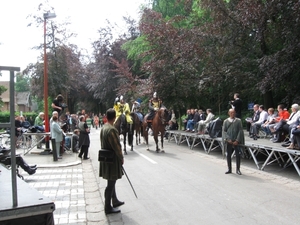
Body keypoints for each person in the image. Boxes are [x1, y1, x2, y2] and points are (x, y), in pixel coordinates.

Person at [100, 108, 124, 215]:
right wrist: (121, 157)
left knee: (111, 180)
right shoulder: (112, 130)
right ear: (114, 117)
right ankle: (107, 207)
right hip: (112, 159)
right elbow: (116, 146)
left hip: (106, 158)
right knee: (111, 183)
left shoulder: (104, 127)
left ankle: (114, 200)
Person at [222, 109, 245, 175]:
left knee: (238, 155)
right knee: (228, 154)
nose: (233, 114)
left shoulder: (238, 121)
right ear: (229, 113)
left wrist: (237, 140)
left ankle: (238, 169)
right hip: (229, 141)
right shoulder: (226, 121)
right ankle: (229, 169)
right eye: (231, 113)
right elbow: (224, 131)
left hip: (236, 140)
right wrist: (228, 139)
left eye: (234, 112)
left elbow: (240, 130)